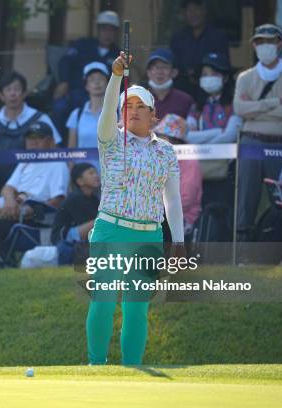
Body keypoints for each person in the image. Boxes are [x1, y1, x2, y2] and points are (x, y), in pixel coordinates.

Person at [87, 52, 184, 365]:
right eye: (128, 106)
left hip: (149, 236)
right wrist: (116, 76)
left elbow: (172, 200)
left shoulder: (166, 151)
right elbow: (106, 110)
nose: (134, 111)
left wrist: (178, 242)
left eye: (141, 106)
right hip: (111, 229)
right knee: (102, 302)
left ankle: (132, 372)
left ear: (154, 114)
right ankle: (95, 366)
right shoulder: (111, 140)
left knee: (136, 308)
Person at [0, 122, 69, 269]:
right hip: (11, 207)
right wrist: (10, 201)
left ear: (50, 142)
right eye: (29, 138)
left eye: (38, 138)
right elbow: (8, 188)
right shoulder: (25, 161)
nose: (33, 142)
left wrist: (27, 210)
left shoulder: (58, 164)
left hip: (32, 219)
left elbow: (58, 201)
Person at [234, 24, 282, 241]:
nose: (265, 46)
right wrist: (273, 103)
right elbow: (239, 109)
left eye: (270, 41)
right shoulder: (245, 77)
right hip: (251, 142)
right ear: (254, 45)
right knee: (246, 198)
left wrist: (254, 109)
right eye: (260, 42)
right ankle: (242, 250)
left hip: (281, 143)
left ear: (280, 44)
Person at [0, 71, 62, 193]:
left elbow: (55, 148)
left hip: (34, 185)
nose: (13, 94)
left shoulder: (40, 118)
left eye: (16, 89)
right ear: (1, 95)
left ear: (24, 93)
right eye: (8, 90)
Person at [186, 53, 242, 209]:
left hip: (225, 169)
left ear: (225, 78)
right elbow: (188, 136)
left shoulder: (234, 105)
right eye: (205, 74)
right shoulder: (196, 106)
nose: (209, 78)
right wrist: (217, 132)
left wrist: (203, 140)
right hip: (198, 169)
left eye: (214, 74)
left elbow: (229, 136)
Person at [52, 11, 121, 137]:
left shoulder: (118, 54)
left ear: (116, 33)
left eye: (111, 30)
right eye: (104, 29)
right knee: (59, 108)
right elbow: (65, 62)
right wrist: (64, 81)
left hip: (103, 98)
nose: (107, 34)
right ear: (98, 30)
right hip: (76, 92)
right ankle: (60, 147)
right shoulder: (81, 45)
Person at [154, 114, 202, 240]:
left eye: (161, 136)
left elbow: (186, 199)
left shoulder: (190, 162)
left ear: (174, 140)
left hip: (182, 217)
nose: (157, 139)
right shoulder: (157, 157)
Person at [170, 0, 230, 96]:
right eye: (189, 10)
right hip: (184, 88)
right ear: (183, 13)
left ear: (204, 11)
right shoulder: (177, 38)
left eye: (197, 9)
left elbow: (224, 65)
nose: (193, 14)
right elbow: (174, 66)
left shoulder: (218, 37)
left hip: (211, 87)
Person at [51, 163, 100, 265]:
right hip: (63, 238)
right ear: (80, 181)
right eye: (91, 173)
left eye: (96, 172)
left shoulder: (94, 198)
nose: (96, 175)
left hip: (80, 234)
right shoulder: (76, 198)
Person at [66, 62, 107, 170]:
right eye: (92, 79)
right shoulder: (76, 115)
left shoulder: (118, 112)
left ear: (108, 83)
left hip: (112, 177)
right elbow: (72, 151)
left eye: (101, 79)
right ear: (86, 86)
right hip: (83, 178)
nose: (97, 83)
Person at [145, 48, 195, 119]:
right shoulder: (137, 99)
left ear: (174, 72)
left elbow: (193, 127)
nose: (160, 72)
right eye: (155, 67)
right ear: (148, 73)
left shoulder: (185, 100)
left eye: (164, 67)